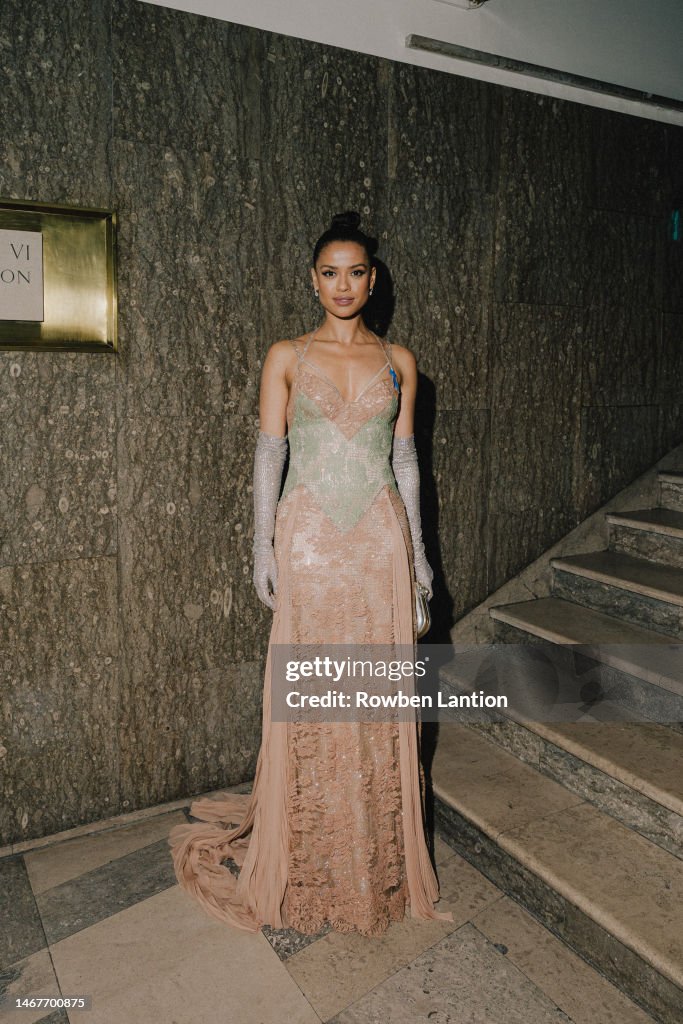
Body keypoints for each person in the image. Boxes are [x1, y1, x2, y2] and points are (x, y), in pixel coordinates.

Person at [168, 211, 450, 935]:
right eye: (329, 273)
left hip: (378, 545)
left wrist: (419, 559)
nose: (343, 285)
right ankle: (314, 853)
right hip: (311, 543)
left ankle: (376, 859)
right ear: (312, 280)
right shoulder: (286, 355)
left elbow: (407, 463)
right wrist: (261, 548)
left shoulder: (400, 362)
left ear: (372, 279)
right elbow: (269, 452)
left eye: (355, 272)